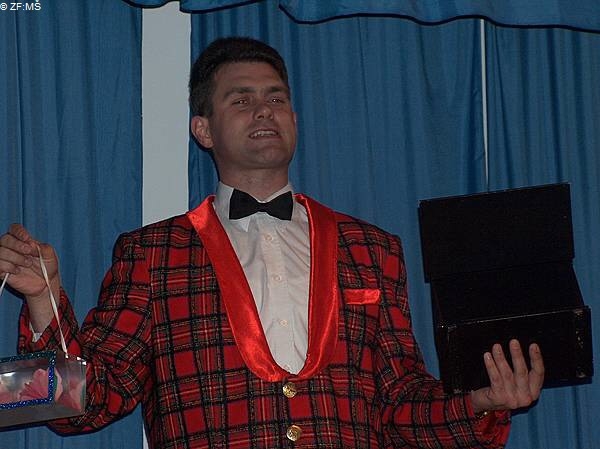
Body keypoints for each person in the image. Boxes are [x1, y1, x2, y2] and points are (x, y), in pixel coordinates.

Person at [0, 37, 544, 449]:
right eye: (241, 100)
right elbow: (88, 404)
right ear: (203, 130)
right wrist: (43, 296)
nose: (264, 110)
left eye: (276, 98)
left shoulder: (372, 249)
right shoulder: (151, 253)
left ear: (294, 119)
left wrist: (481, 402)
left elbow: (399, 402)